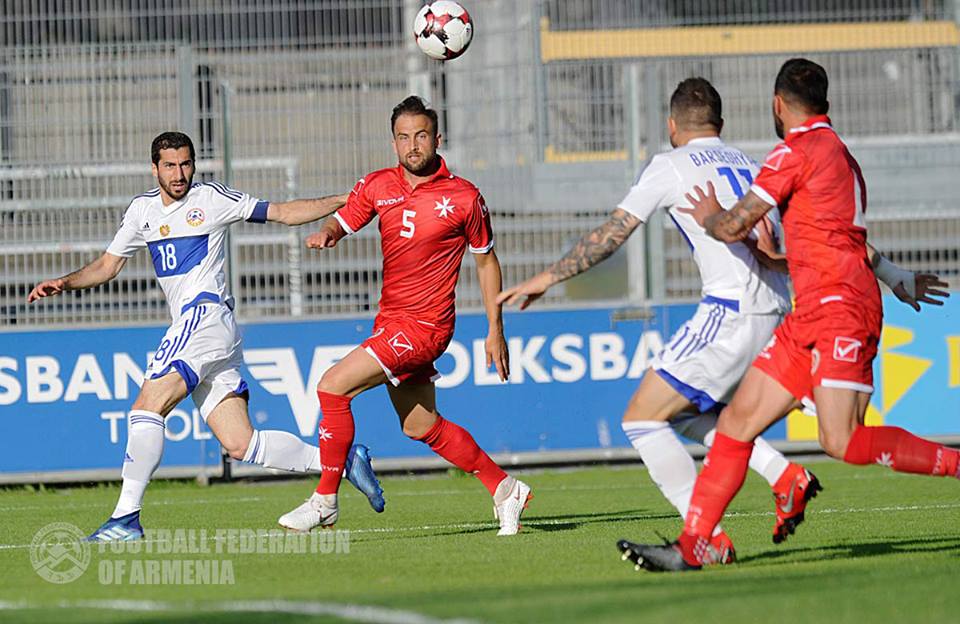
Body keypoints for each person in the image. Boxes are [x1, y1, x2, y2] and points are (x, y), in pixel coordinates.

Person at [619, 58, 952, 572]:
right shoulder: (838, 153)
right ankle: (693, 547)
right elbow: (845, 238)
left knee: (840, 440)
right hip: (810, 311)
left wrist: (708, 216)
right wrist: (895, 276)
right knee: (734, 423)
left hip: (841, 309)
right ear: (826, 103)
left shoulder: (795, 153)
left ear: (778, 105)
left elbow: (732, 226)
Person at [28, 132, 385, 542]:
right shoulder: (141, 211)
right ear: (154, 168)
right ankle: (340, 459)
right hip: (209, 329)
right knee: (241, 444)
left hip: (204, 316)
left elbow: (284, 212)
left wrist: (346, 199)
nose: (179, 174)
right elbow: (108, 266)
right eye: (170, 165)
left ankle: (125, 518)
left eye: (186, 164)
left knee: (146, 407)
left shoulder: (211, 199)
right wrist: (64, 282)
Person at [277, 95, 532, 536]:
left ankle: (324, 500)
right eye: (403, 137)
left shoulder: (465, 197)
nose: (412, 145)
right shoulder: (379, 185)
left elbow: (487, 262)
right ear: (393, 142)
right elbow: (346, 218)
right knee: (420, 426)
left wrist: (496, 330)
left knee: (331, 387)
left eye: (420, 135)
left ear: (437, 138)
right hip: (391, 322)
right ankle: (505, 488)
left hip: (426, 327)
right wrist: (329, 232)